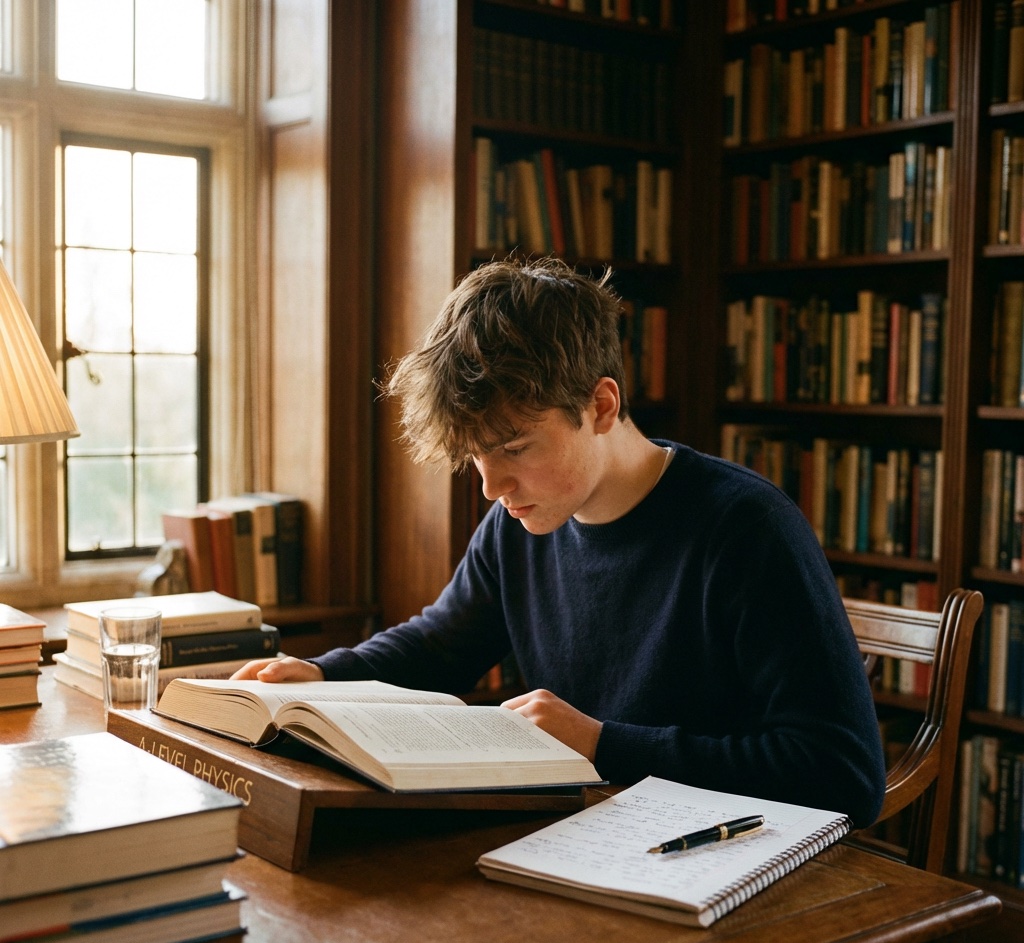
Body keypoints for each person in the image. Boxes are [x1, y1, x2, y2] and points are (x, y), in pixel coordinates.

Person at [233, 256, 886, 827]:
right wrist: (322, 674)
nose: (491, 486)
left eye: (514, 447)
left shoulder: (747, 529)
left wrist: (602, 743)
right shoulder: (521, 524)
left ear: (601, 407)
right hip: (590, 834)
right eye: (475, 456)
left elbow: (843, 776)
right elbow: (441, 644)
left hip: (727, 859)